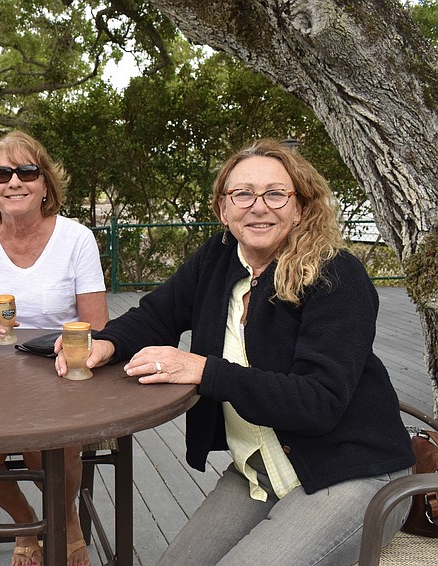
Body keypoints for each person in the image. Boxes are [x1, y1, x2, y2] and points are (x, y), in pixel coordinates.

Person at [56, 138, 415, 565]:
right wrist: (106, 341)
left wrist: (207, 371)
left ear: (300, 207)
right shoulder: (218, 257)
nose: (258, 207)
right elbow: (156, 315)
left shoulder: (335, 274)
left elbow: (318, 402)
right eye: (243, 194)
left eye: (275, 194)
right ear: (223, 209)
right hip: (260, 471)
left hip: (352, 472)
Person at [0, 130, 109, 566]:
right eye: (1, 174)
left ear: (45, 184)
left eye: (27, 172)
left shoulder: (76, 238)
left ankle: (65, 518)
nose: (14, 181)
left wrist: (69, 357)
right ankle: (27, 521)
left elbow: (99, 325)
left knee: (47, 445)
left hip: (59, 371)